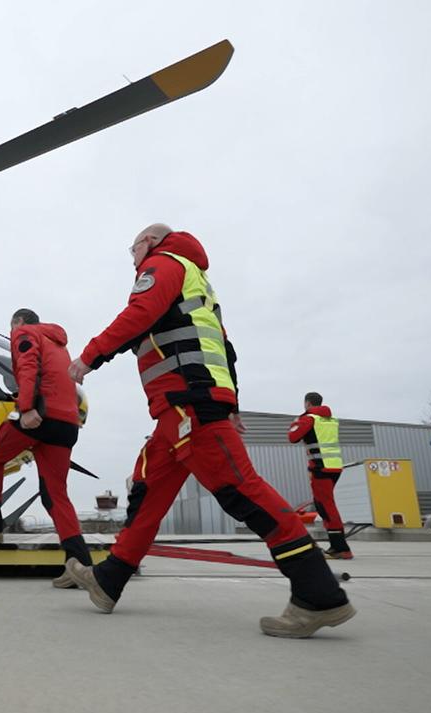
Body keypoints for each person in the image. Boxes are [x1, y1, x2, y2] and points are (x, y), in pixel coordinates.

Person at [65, 223, 355, 638]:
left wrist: (89, 357)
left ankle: (319, 594)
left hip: (188, 402)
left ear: (148, 242)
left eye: (132, 248)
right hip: (178, 408)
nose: (132, 257)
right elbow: (225, 349)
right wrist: (233, 403)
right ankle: (109, 579)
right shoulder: (197, 283)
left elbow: (140, 314)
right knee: (148, 489)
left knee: (241, 490)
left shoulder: (162, 264)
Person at [0, 308, 93, 587]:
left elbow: (27, 367)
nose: (12, 333)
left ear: (19, 322)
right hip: (67, 423)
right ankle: (80, 565)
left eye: (11, 327)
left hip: (39, 415)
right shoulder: (58, 343)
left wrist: (25, 408)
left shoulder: (24, 333)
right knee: (55, 495)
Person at [288, 392, 352, 559]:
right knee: (324, 504)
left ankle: (340, 548)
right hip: (334, 467)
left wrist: (297, 421)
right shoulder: (331, 421)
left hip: (320, 468)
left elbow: (293, 437)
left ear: (307, 403)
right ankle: (338, 546)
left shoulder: (309, 419)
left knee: (326, 506)